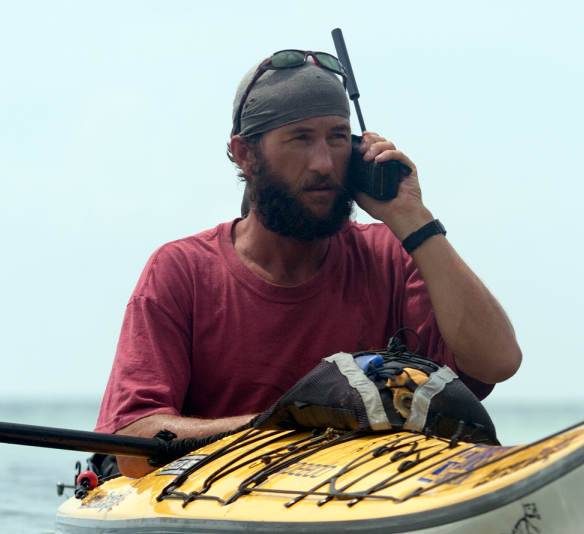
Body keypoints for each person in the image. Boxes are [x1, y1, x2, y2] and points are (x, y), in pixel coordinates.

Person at [95, 49, 522, 477]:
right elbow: (134, 446)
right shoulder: (180, 271)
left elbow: (498, 362)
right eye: (301, 138)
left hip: (368, 492)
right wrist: (296, 421)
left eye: (337, 138)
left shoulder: (391, 255)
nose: (323, 163)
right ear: (245, 154)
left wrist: (413, 220)